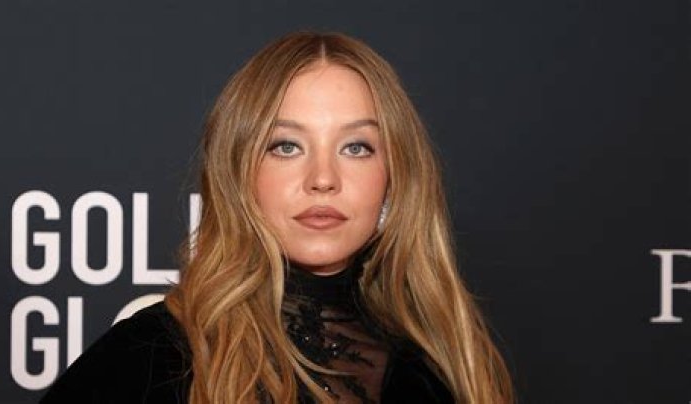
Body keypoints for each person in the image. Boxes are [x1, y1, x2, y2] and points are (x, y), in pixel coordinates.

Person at [41, 31, 513, 404]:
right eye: (286, 146)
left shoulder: (445, 361)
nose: (323, 178)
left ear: (395, 177)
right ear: (240, 172)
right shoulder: (155, 358)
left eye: (356, 147)